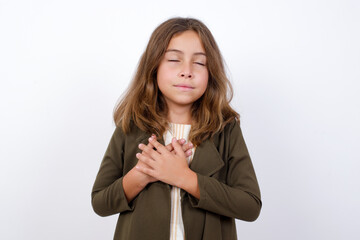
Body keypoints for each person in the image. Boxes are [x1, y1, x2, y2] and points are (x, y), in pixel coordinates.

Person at [91, 17, 261, 240]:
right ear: (153, 66)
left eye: (199, 63)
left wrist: (184, 178)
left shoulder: (225, 129)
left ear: (211, 72)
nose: (186, 71)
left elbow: (250, 205)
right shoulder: (132, 126)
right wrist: (140, 175)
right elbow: (100, 203)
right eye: (174, 59)